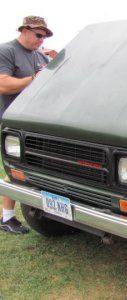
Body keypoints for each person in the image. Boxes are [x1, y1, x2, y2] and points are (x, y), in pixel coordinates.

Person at [0, 16, 54, 234]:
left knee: (38, 166)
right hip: (13, 122)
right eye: (38, 35)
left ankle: (47, 211)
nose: (41, 40)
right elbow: (3, 85)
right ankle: (7, 217)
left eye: (45, 36)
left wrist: (59, 60)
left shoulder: (40, 55)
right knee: (15, 167)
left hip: (37, 123)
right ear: (24, 30)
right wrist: (34, 78)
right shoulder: (7, 50)